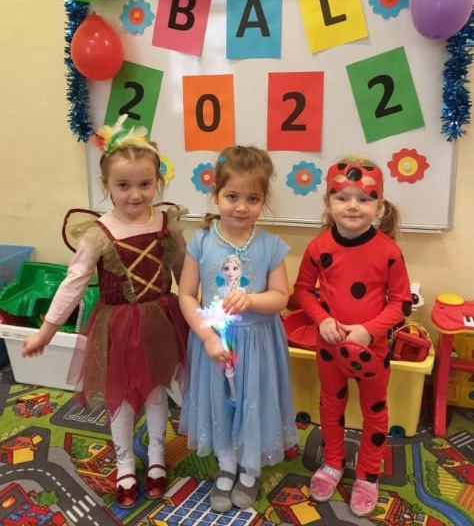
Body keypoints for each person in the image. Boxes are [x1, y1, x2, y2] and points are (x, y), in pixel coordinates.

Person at [22, 115, 188, 509]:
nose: (135, 194)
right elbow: (74, 282)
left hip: (161, 321)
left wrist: (200, 313)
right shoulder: (99, 233)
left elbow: (185, 272)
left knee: (156, 391)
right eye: (123, 185)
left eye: (145, 184)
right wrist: (47, 331)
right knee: (122, 398)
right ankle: (125, 463)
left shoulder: (167, 225)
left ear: (158, 181)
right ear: (106, 184)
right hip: (118, 327)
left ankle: (158, 458)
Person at [178, 145, 297, 513]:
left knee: (252, 402)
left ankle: (249, 469)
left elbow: (281, 297)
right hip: (214, 342)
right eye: (232, 196)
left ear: (263, 201)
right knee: (220, 403)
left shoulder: (271, 246)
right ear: (216, 194)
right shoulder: (200, 242)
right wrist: (207, 337)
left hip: (258, 343)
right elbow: (186, 295)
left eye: (253, 198)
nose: (242, 207)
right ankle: (227, 467)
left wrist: (252, 299)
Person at [293, 156, 412, 518]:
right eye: (342, 198)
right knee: (331, 406)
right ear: (328, 202)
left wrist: (369, 330)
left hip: (372, 351)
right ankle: (332, 462)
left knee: (375, 411)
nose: (353, 206)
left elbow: (401, 303)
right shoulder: (319, 247)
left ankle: (368, 474)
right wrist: (321, 319)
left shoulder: (388, 251)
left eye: (364, 199)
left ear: (379, 205)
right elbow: (303, 290)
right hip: (330, 348)